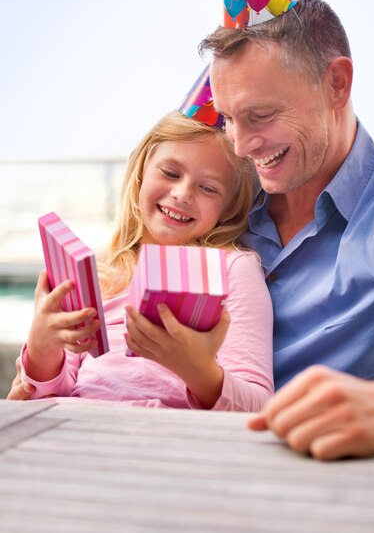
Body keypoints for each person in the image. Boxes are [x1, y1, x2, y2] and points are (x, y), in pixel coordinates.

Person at [198, 0, 374, 458]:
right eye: (228, 120)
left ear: (337, 83)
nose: (239, 146)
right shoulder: (222, 197)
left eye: (261, 116)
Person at [11, 112, 274, 410]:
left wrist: (198, 370)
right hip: (83, 425)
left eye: (208, 188)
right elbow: (44, 395)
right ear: (140, 174)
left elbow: (258, 405)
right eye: (171, 173)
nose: (182, 193)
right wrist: (42, 342)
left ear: (227, 209)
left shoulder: (231, 267)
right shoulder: (101, 276)